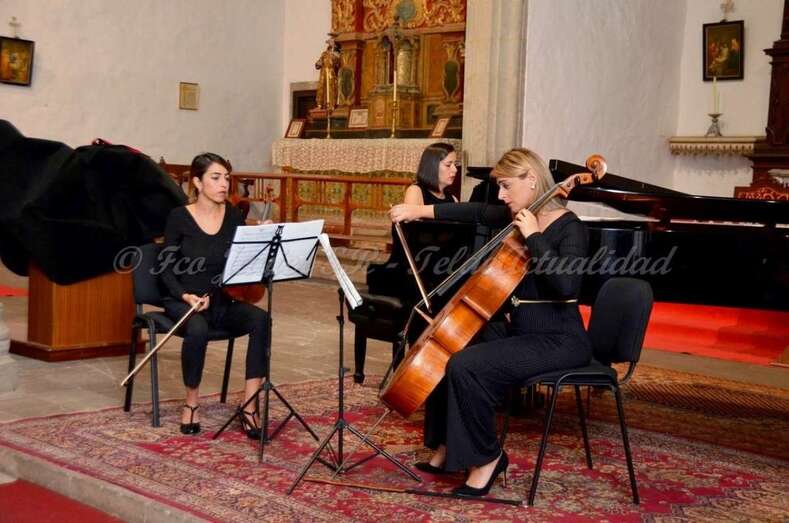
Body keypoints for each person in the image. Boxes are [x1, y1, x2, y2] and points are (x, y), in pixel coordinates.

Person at [389, 148, 592, 497]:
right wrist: (418, 209)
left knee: (467, 365)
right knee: (451, 344)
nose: (500, 195)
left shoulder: (569, 228)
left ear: (531, 179)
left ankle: (488, 458)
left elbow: (566, 285)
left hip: (559, 339)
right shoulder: (518, 213)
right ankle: (446, 446)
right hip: (521, 332)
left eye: (506, 186)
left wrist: (533, 237)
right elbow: (474, 211)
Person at [160, 152, 269, 438]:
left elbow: (244, 260)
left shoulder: (233, 216)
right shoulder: (179, 217)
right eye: (216, 178)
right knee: (197, 328)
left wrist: (262, 240)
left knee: (261, 320)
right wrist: (186, 296)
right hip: (183, 301)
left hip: (222, 299)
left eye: (227, 178)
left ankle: (249, 405)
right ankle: (191, 403)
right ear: (197, 182)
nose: (224, 184)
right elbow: (166, 269)